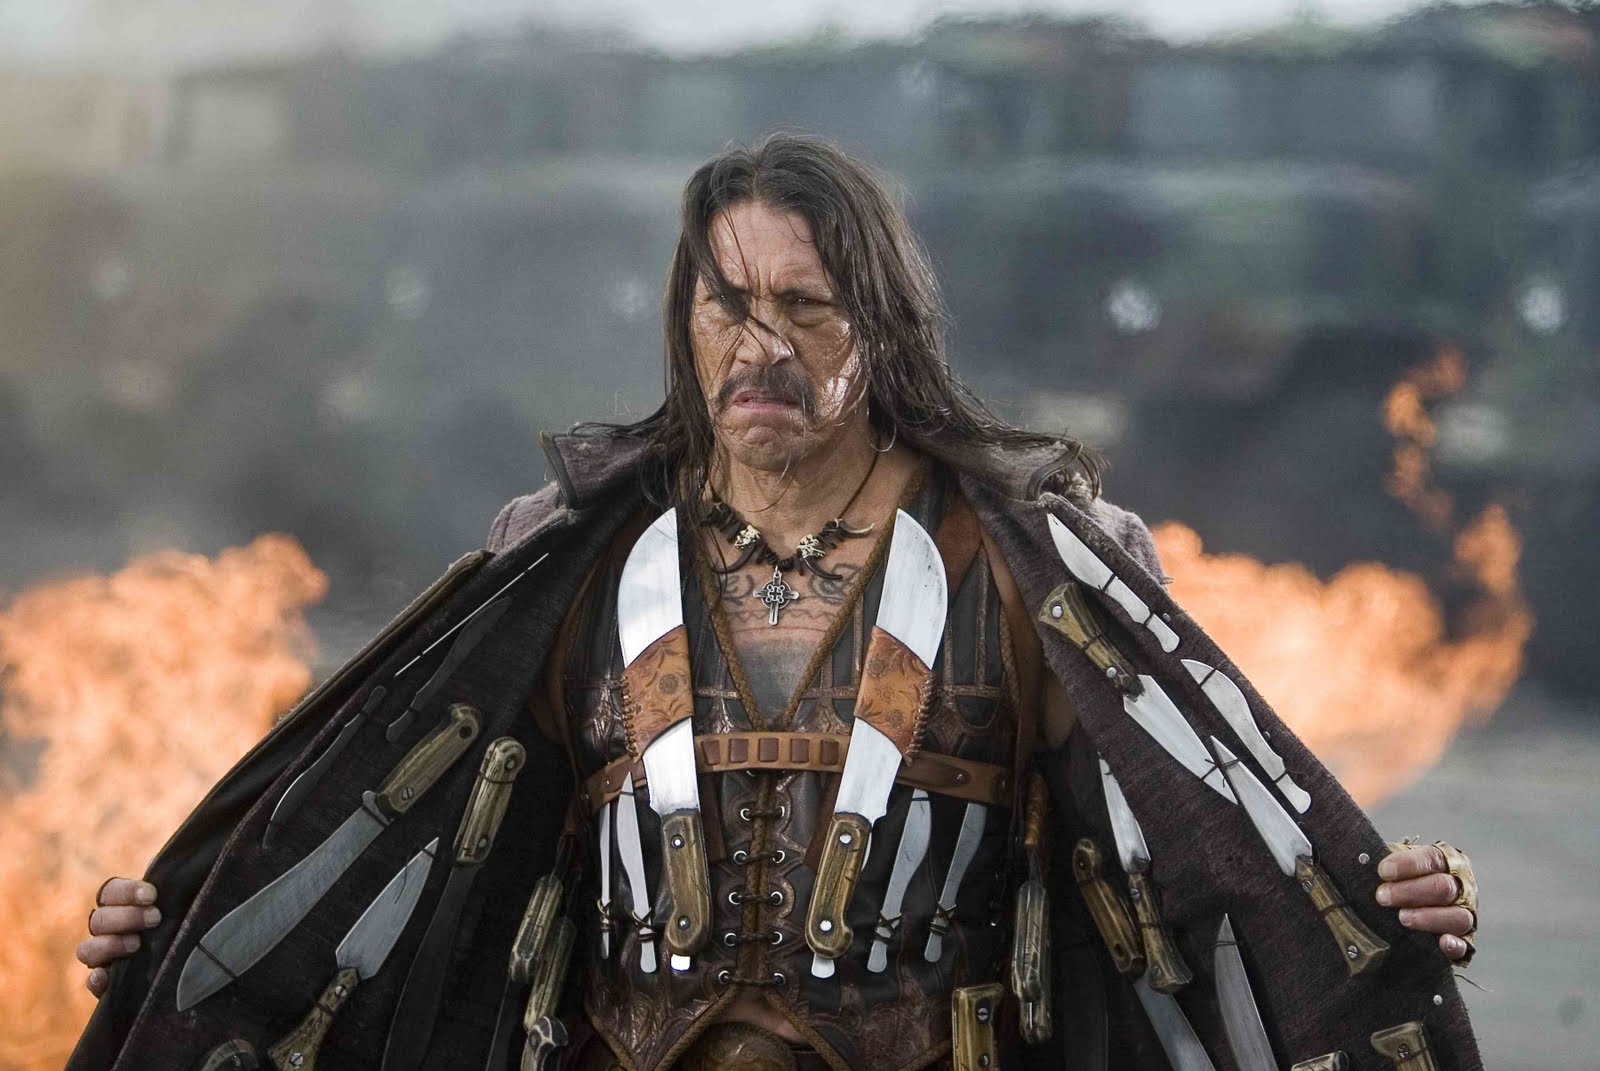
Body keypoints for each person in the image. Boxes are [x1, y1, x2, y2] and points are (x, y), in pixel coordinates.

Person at [72, 133, 1480, 1071]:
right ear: (683, 322)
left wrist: (1388, 901)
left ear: (883, 323)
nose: (763, 344)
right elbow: (424, 856)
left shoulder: (1033, 561)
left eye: (809, 306)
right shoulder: (564, 559)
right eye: (727, 303)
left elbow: (1199, 846)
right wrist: (191, 928)